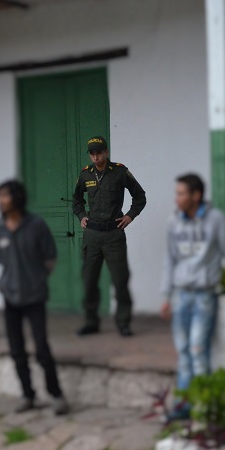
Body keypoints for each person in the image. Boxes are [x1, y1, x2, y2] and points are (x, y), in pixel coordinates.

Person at [160, 173, 225, 419]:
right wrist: (165, 295)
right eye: (177, 193)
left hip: (204, 296)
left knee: (198, 351)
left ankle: (204, 407)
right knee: (183, 353)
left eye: (181, 193)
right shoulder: (173, 222)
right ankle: (182, 408)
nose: (177, 198)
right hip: (180, 295)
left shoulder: (216, 220)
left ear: (196, 195)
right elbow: (169, 260)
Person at [0, 180, 69, 416]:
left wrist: (35, 279)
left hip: (34, 297)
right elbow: (2, 260)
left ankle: (56, 395)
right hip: (10, 297)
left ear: (17, 197)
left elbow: (50, 258)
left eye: (5, 196)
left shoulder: (36, 225)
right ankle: (28, 394)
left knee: (42, 349)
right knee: (16, 350)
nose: (1, 201)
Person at [72, 136, 147, 337]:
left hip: (114, 234)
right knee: (89, 280)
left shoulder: (120, 172)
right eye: (92, 154)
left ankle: (123, 322)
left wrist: (130, 216)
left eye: (99, 153)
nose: (96, 157)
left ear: (106, 152)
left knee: (120, 280)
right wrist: (81, 216)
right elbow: (76, 200)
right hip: (92, 235)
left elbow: (140, 196)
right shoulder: (85, 175)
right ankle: (91, 321)